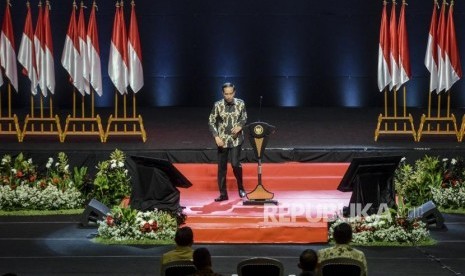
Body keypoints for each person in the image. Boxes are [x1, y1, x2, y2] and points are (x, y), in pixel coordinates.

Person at [208, 82, 247, 202]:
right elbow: (211, 121)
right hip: (222, 140)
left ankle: (241, 187)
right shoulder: (218, 105)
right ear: (222, 93)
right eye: (226, 94)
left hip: (236, 139)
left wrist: (240, 126)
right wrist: (216, 136)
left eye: (231, 93)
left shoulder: (240, 103)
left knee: (235, 164)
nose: (229, 96)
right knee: (222, 167)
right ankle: (223, 193)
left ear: (234, 93)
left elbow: (244, 117)